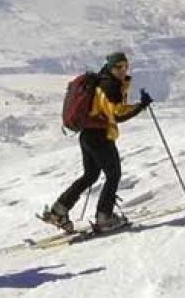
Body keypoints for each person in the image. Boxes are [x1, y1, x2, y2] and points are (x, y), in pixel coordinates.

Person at [41, 52, 153, 232]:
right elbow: (116, 114)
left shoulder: (102, 81)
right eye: (118, 67)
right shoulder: (109, 85)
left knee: (91, 175)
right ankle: (104, 217)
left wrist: (137, 105)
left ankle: (58, 211)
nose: (123, 70)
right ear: (110, 67)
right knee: (113, 175)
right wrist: (140, 106)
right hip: (99, 136)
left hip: (88, 135)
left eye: (125, 66)